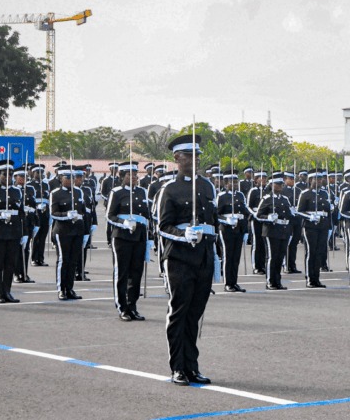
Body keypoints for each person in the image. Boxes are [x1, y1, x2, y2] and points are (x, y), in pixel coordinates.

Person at [156, 134, 216, 386]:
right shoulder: (169, 189)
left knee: (195, 314)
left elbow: (213, 221)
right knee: (179, 312)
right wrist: (183, 235)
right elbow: (162, 226)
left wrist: (216, 254)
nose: (195, 159)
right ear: (177, 158)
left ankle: (192, 366)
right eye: (190, 155)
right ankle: (178, 367)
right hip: (179, 258)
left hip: (203, 256)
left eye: (197, 155)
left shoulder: (207, 186)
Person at [106, 161, 151, 321]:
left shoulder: (142, 192)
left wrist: (150, 237)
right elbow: (110, 216)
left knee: (136, 273)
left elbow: (147, 216)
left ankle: (132, 306)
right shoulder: (116, 192)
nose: (133, 177)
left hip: (139, 236)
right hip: (122, 237)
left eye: (135, 174)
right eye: (129, 175)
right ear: (122, 176)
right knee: (122, 273)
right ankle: (122, 307)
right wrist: (123, 223)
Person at [0, 160, 26, 303]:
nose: (8, 177)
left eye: (10, 174)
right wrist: (0, 215)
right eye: (4, 174)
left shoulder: (17, 191)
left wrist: (23, 232)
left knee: (10, 263)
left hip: (13, 231)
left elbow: (21, 213)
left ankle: (7, 291)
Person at [50, 165, 86, 300]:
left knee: (73, 261)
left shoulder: (78, 192)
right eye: (67, 177)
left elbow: (82, 210)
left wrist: (79, 218)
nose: (71, 180)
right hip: (62, 231)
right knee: (63, 260)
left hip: (77, 230)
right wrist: (66, 215)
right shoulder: (55, 193)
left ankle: (70, 288)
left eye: (73, 177)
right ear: (61, 178)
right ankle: (61, 289)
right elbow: (53, 213)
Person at [256, 172, 293, 290]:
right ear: (272, 185)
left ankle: (277, 281)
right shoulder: (267, 199)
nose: (280, 186)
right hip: (271, 230)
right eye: (277, 184)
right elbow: (258, 215)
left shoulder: (285, 199)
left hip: (283, 230)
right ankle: (270, 282)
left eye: (281, 184)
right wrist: (268, 217)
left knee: (280, 257)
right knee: (272, 257)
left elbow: (289, 215)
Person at [296, 169, 331, 288]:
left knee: (319, 252)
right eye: (317, 179)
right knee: (311, 252)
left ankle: (316, 278)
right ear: (310, 180)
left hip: (323, 226)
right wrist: (310, 216)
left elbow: (327, 211)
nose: (319, 181)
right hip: (310, 226)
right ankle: (310, 278)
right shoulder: (305, 193)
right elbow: (299, 211)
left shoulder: (324, 193)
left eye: (320, 179)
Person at [217, 169, 249, 292]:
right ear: (226, 183)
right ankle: (227, 283)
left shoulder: (240, 195)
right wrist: (226, 220)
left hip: (238, 229)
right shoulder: (221, 196)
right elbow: (215, 214)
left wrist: (245, 230)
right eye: (232, 182)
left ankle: (234, 282)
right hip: (226, 229)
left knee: (236, 257)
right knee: (228, 256)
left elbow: (245, 213)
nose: (235, 184)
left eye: (236, 182)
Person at [14, 164, 38, 283]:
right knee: (16, 250)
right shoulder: (13, 189)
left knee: (26, 249)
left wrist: (37, 223)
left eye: (24, 176)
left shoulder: (30, 189)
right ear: (15, 177)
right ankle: (16, 274)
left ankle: (24, 273)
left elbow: (35, 206)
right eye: (20, 176)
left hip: (28, 222)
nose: (23, 178)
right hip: (17, 223)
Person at [74, 167, 97, 281]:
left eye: (81, 177)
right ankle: (73, 271)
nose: (80, 179)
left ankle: (81, 271)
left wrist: (94, 222)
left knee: (84, 247)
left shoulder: (87, 189)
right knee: (75, 248)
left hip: (87, 221)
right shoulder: (71, 191)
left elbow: (92, 207)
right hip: (75, 221)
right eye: (77, 177)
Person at [247, 171, 268, 275]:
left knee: (264, 242)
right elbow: (248, 206)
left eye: (265, 177)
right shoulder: (253, 191)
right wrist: (254, 214)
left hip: (265, 218)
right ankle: (256, 266)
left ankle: (262, 265)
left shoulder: (268, 191)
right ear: (256, 180)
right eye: (261, 178)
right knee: (256, 242)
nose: (263, 179)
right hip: (255, 218)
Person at [29, 164, 50, 267]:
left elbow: (48, 199)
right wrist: (37, 206)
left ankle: (40, 258)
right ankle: (34, 258)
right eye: (38, 172)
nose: (40, 174)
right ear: (33, 173)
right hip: (35, 214)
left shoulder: (45, 185)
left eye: (42, 172)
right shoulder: (30, 185)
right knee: (35, 237)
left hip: (44, 214)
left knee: (42, 238)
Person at [282, 171, 303, 274]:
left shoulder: (298, 190)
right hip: (287, 220)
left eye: (293, 179)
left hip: (297, 219)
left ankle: (292, 264)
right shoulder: (282, 191)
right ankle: (285, 265)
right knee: (287, 243)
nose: (292, 180)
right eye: (290, 179)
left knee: (294, 243)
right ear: (285, 179)